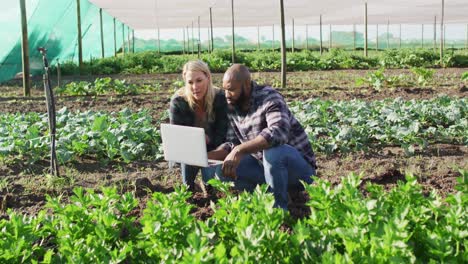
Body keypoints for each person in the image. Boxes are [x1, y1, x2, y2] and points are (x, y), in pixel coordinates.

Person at [208, 64, 317, 210]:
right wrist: (207, 156)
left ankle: (279, 210)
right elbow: (232, 143)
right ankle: (272, 195)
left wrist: (240, 150)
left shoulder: (269, 96)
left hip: (299, 170)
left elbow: (278, 132)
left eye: (232, 90)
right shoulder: (232, 105)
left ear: (246, 85)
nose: (227, 94)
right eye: (225, 89)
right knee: (222, 171)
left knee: (273, 152)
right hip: (264, 167)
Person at [169, 60, 228, 191]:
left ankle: (209, 188)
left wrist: (208, 139)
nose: (195, 86)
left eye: (199, 80)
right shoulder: (179, 101)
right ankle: (188, 190)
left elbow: (224, 132)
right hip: (189, 152)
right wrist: (195, 141)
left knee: (211, 186)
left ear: (208, 77)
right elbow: (176, 136)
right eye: (190, 82)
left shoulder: (220, 98)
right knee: (188, 163)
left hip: (215, 150)